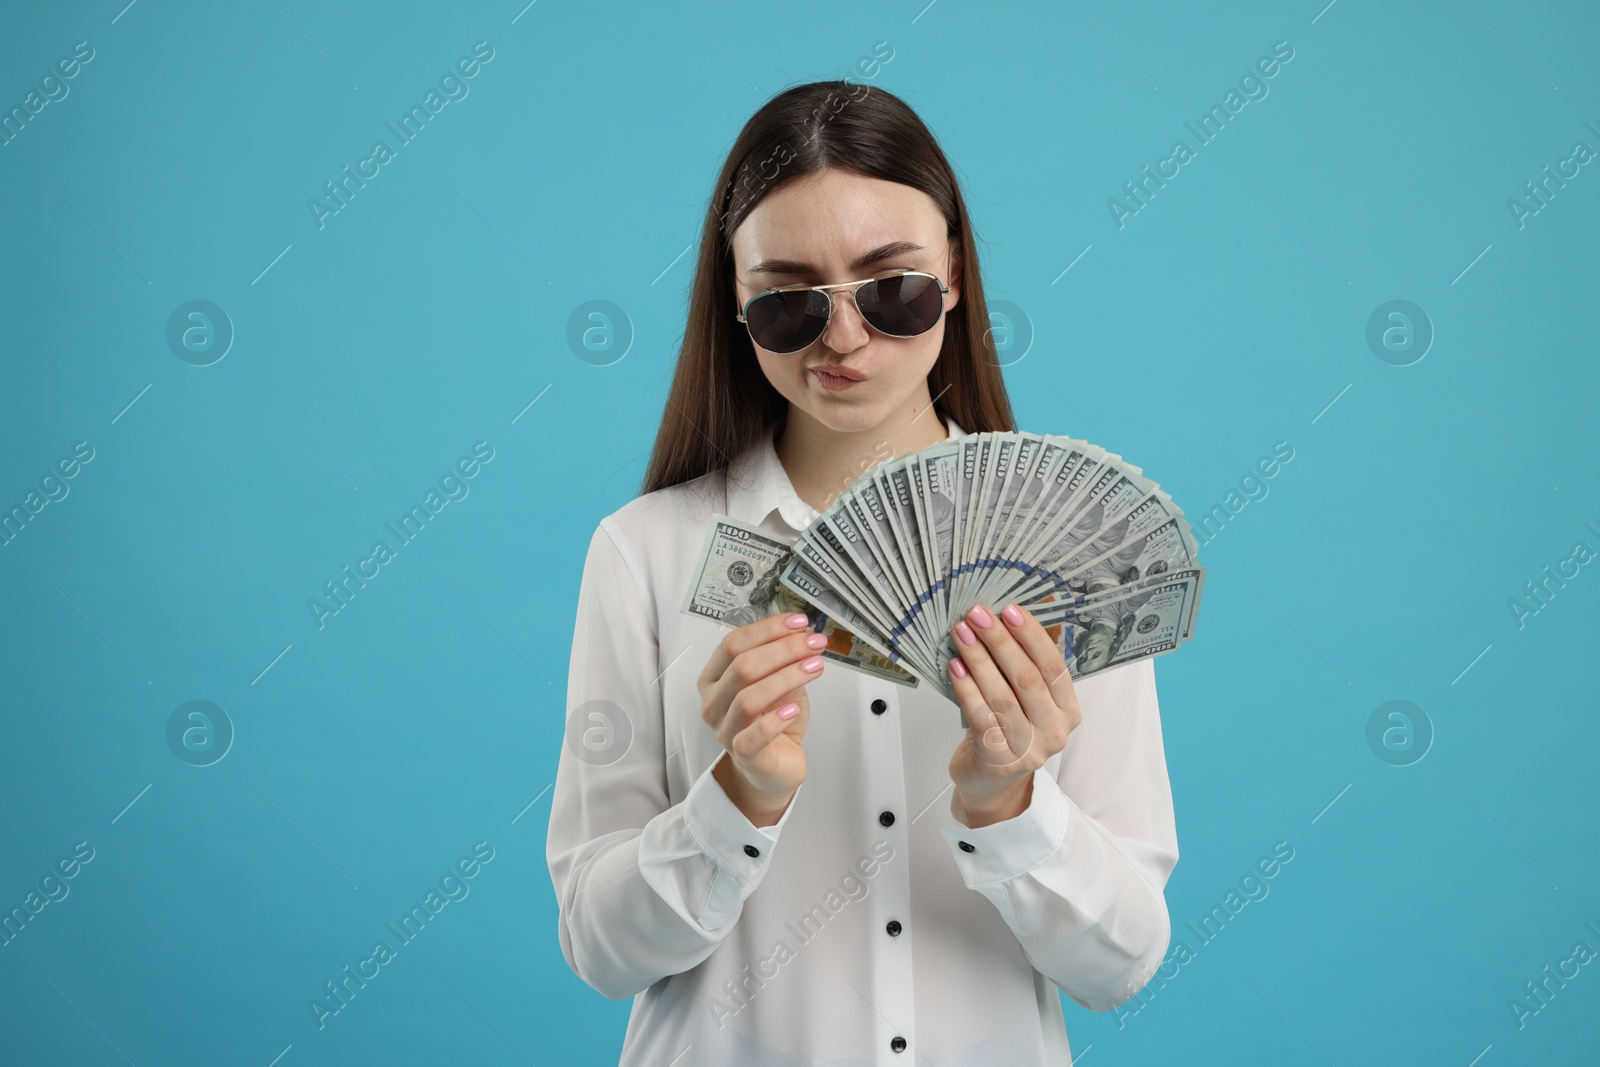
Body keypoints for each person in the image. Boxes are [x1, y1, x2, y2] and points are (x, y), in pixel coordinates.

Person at [547, 80, 1178, 1066]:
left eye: (893, 288)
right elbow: (600, 947)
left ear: (957, 274)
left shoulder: (1071, 563)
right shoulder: (646, 552)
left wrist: (1010, 799)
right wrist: (737, 797)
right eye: (790, 301)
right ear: (737, 302)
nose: (843, 338)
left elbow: (1122, 962)